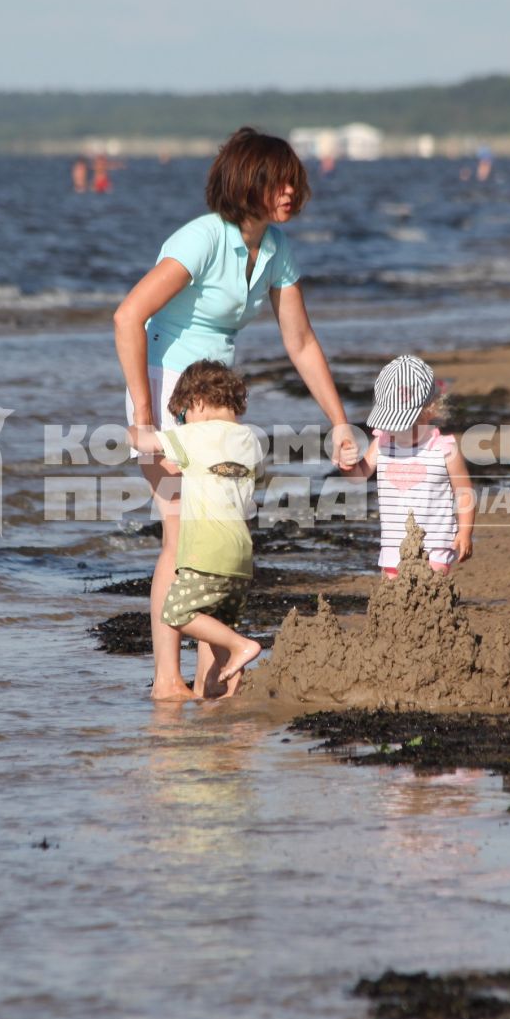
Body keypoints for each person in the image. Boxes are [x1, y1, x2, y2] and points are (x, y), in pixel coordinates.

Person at [115, 127, 359, 700]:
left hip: (217, 402)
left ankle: (211, 675)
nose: (290, 192)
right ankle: (166, 681)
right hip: (168, 390)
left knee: (218, 529)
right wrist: (145, 421)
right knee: (181, 536)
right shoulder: (202, 238)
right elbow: (128, 317)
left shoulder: (276, 252)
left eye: (294, 182)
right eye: (278, 182)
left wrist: (341, 423)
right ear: (246, 183)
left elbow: (300, 342)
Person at [128, 361, 266, 699]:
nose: (181, 422)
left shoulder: (193, 435)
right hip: (241, 557)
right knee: (218, 628)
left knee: (176, 613)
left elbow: (146, 443)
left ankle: (242, 645)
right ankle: (230, 690)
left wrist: (132, 429)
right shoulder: (252, 440)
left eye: (181, 415)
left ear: (198, 401)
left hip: (206, 551)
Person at [344, 355, 474, 577]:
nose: (400, 431)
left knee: (429, 593)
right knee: (394, 599)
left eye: (408, 423)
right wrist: (347, 465)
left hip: (435, 545)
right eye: (394, 423)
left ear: (431, 409)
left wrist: (465, 532)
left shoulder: (445, 449)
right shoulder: (381, 443)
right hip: (393, 546)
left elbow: (464, 493)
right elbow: (359, 475)